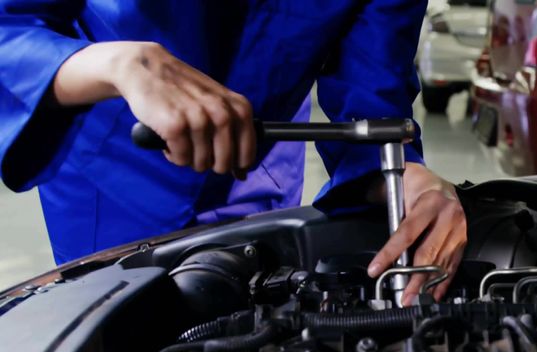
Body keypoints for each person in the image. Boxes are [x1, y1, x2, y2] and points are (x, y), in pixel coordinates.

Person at [0, 1, 466, 303]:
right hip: (119, 159)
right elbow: (11, 29)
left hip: (261, 154)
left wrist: (403, 174)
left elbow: (373, 89)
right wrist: (117, 65)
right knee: (116, 339)